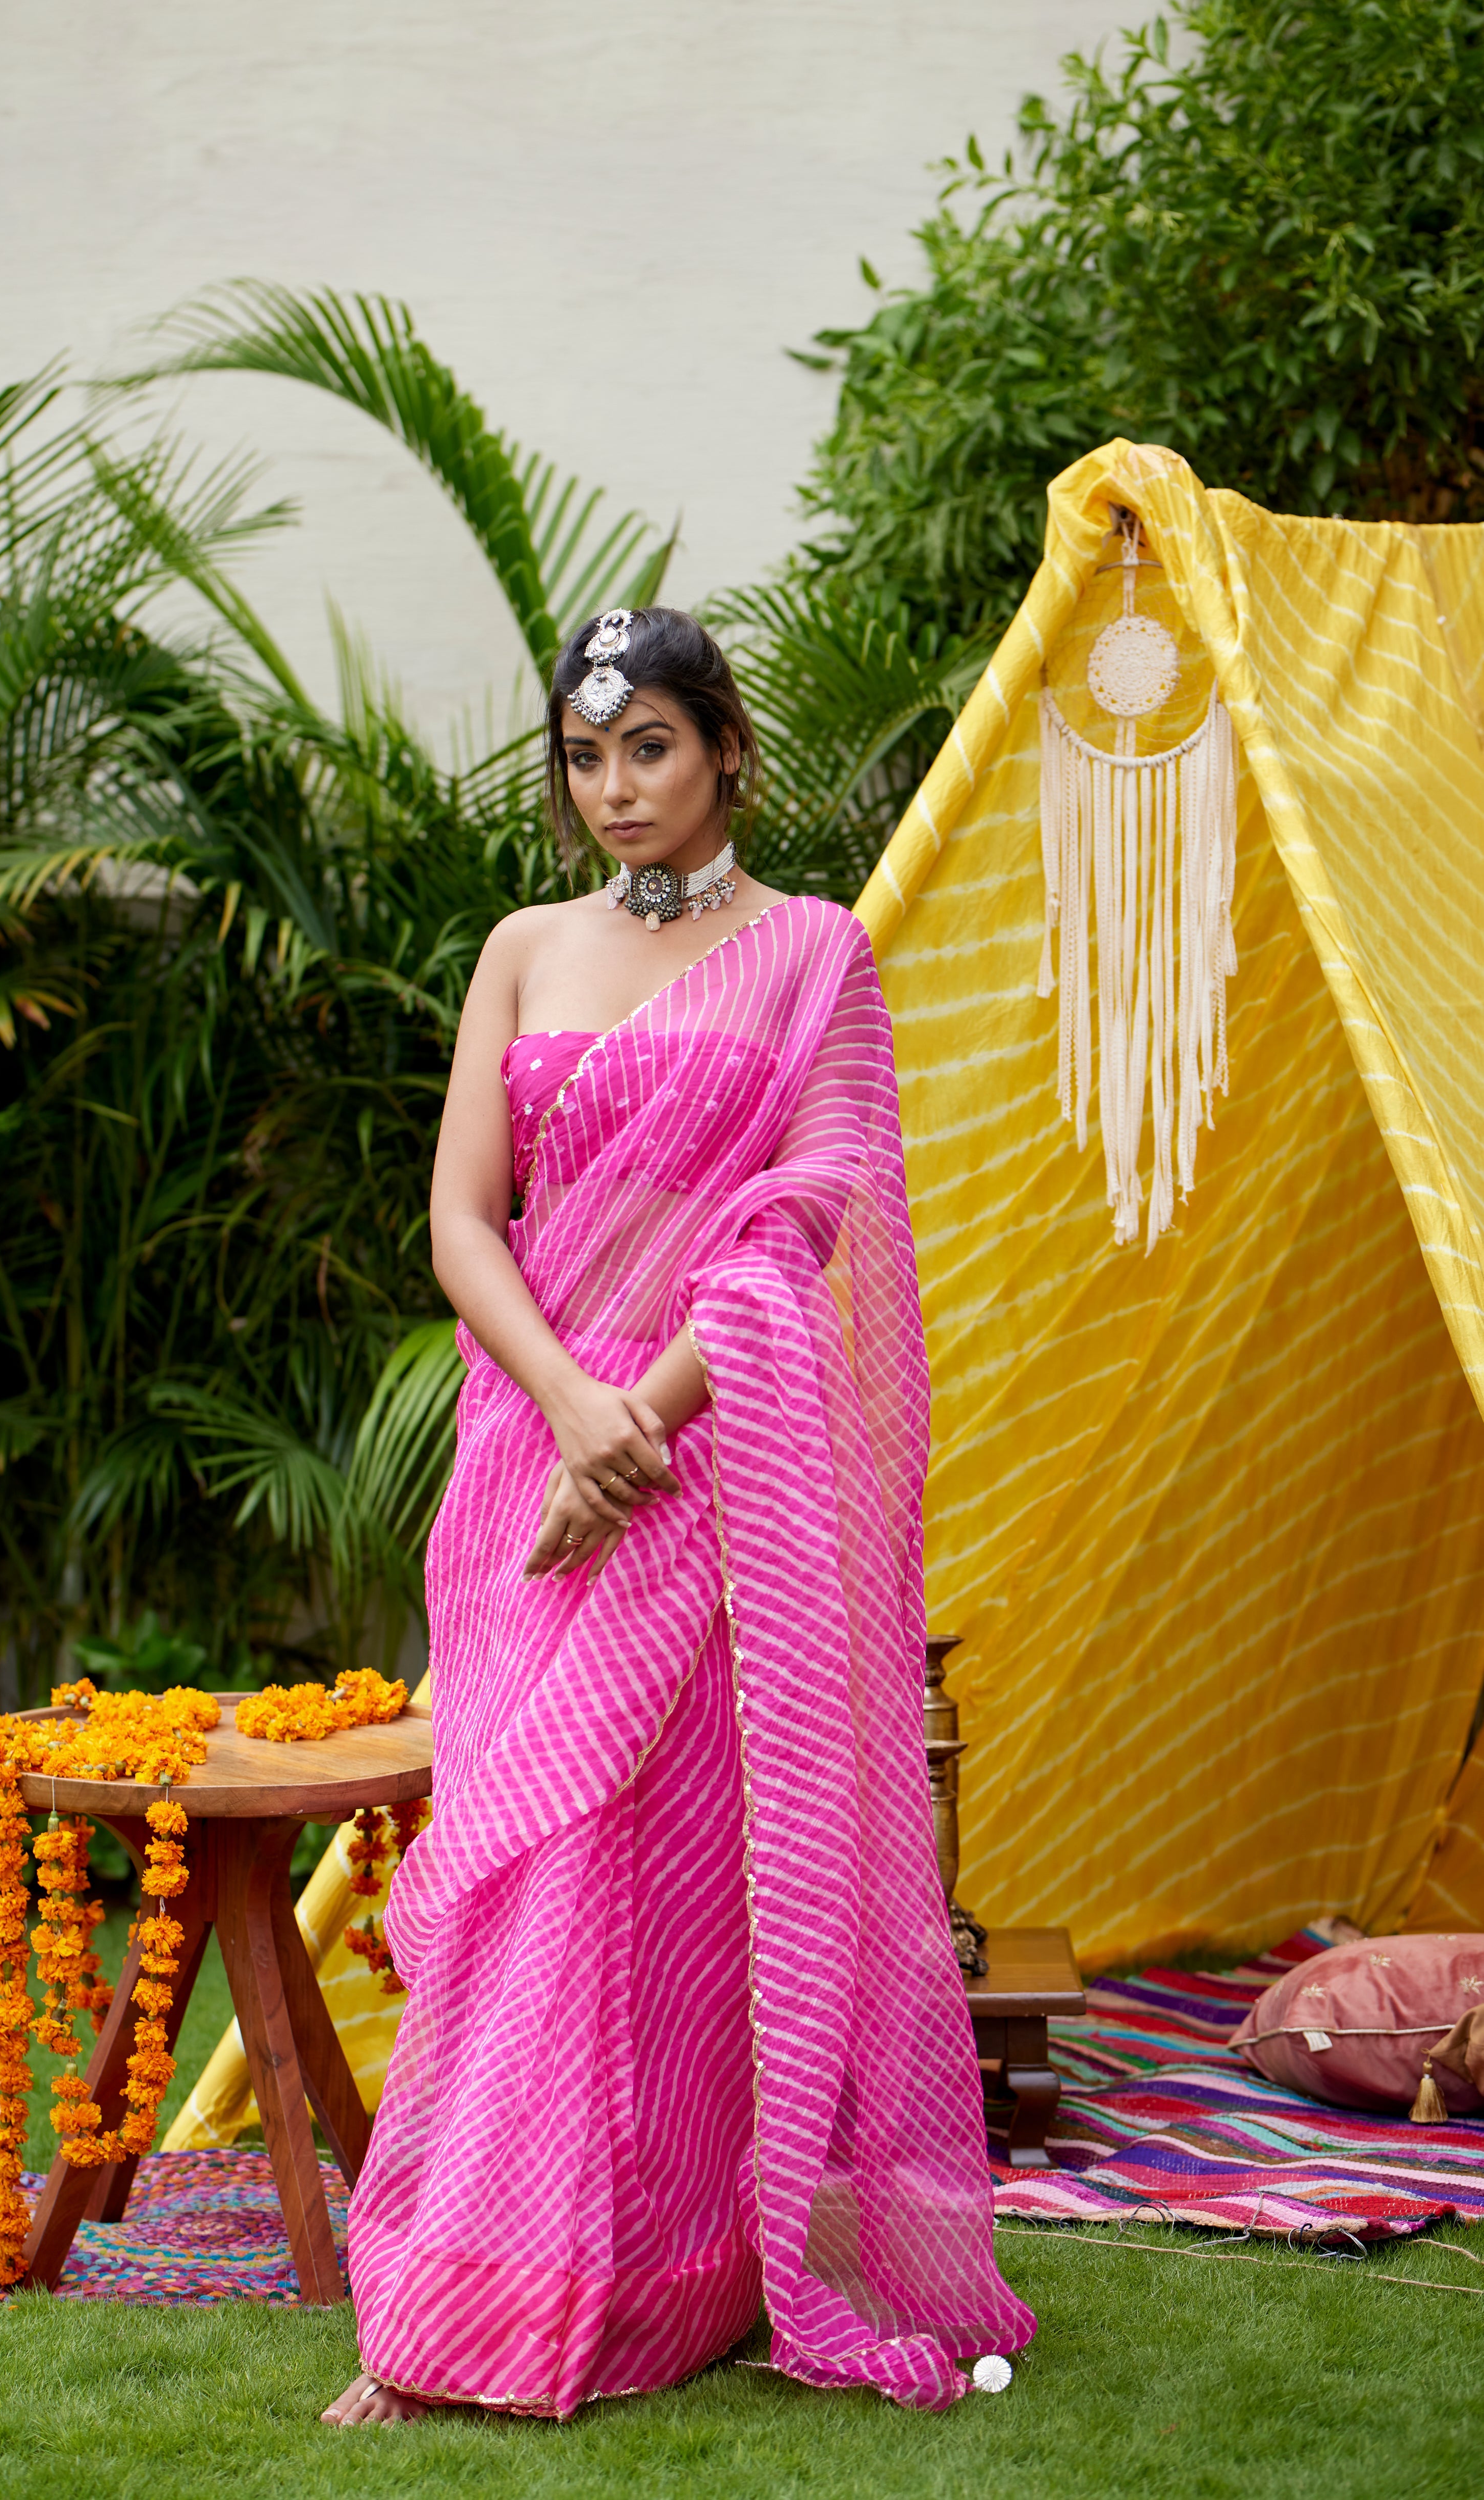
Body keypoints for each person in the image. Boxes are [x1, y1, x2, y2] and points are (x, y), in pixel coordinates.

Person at [321, 608, 1034, 2427]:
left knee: (675, 1893)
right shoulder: (521, 948)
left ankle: (678, 2277)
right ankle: (466, 2293)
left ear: (724, 751)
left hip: (722, 1468)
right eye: (584, 756)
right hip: (530, 1467)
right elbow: (463, 1220)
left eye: (647, 747)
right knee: (526, 1882)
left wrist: (643, 1423)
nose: (613, 789)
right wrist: (573, 1414)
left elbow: (815, 1214)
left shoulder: (812, 959)